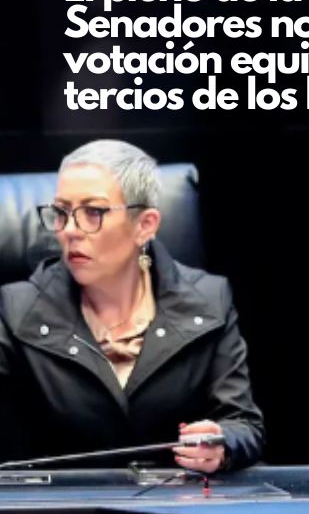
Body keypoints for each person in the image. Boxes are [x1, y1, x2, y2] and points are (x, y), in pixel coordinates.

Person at [0, 140, 264, 471]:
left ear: (145, 225)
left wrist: (222, 443)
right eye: (61, 212)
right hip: (61, 500)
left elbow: (244, 425)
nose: (69, 231)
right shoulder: (17, 310)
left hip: (177, 497)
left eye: (93, 213)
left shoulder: (209, 301)